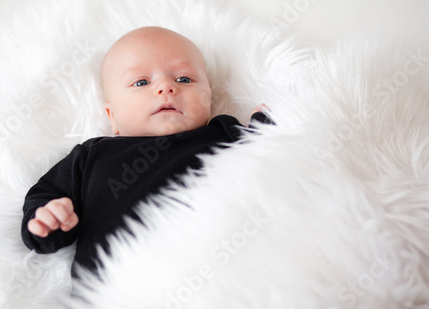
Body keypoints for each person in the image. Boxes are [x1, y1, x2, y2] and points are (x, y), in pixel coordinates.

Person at [21, 26, 274, 277]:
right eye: (141, 82)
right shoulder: (93, 156)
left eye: (184, 79)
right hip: (116, 287)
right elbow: (46, 193)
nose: (166, 87)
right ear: (113, 117)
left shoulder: (223, 133)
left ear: (209, 97)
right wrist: (49, 220)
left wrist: (265, 124)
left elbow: (273, 161)